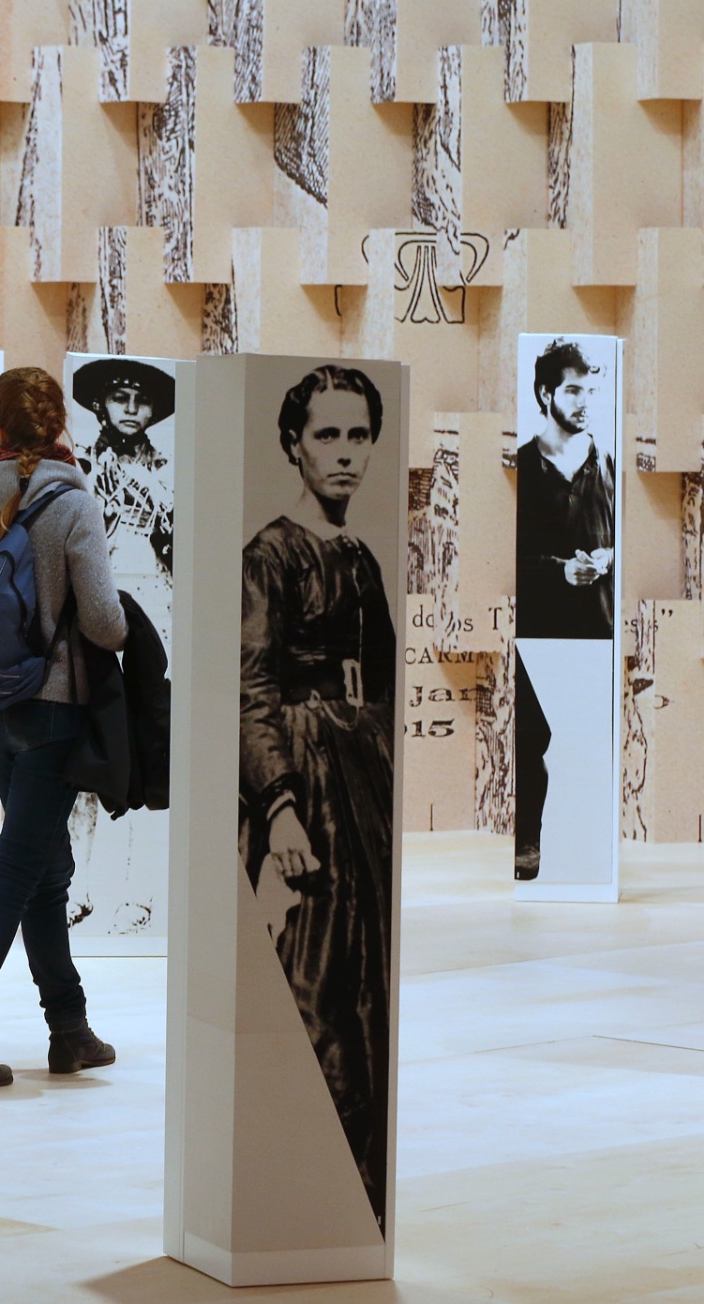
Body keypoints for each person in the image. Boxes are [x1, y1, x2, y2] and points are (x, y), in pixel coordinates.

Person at [0, 366, 128, 1089]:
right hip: (53, 710)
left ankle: (69, 1030)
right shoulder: (72, 502)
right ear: (59, 421)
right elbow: (103, 623)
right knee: (16, 874)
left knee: (43, 870)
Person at [240, 364, 395, 1232]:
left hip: (365, 780)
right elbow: (250, 687)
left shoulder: (363, 557)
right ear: (293, 445)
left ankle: (360, 1203)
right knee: (316, 992)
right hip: (305, 783)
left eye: (359, 435)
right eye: (328, 435)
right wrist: (280, 804)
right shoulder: (271, 555)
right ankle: (304, 1195)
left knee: (369, 995)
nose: (345, 453)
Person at [513, 338, 615, 879]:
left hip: (594, 634)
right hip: (535, 635)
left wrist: (610, 555)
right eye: (573, 390)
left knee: (587, 748)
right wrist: (560, 570)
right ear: (544, 392)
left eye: (590, 391)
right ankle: (527, 847)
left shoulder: (607, 466)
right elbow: (508, 559)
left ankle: (583, 855)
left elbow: (626, 541)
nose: (584, 401)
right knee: (532, 740)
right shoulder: (522, 467)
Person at [72, 357, 176, 588]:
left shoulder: (167, 472)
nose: (131, 409)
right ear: (100, 404)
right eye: (120, 399)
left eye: (142, 400)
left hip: (154, 581)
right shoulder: (83, 466)